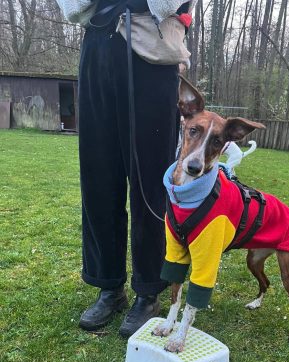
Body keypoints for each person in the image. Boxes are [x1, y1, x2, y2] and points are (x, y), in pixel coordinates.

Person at [56, 0, 194, 337]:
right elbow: (72, 8)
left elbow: (165, 5)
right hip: (98, 47)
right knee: (98, 176)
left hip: (151, 49)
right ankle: (109, 286)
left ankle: (149, 289)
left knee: (150, 180)